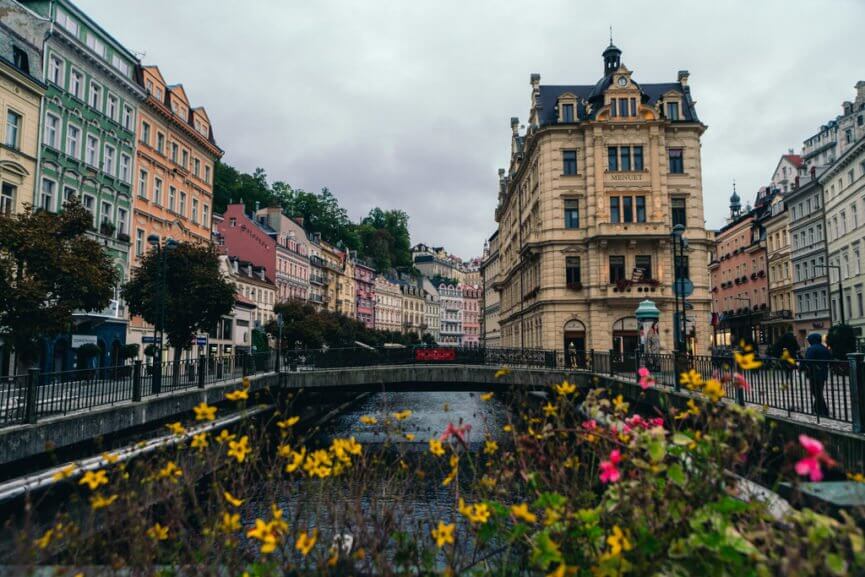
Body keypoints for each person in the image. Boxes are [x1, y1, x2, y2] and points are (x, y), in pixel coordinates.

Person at [804, 333, 831, 417]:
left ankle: (823, 411)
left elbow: (808, 360)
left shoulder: (811, 349)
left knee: (815, 392)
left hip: (814, 373)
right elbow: (829, 358)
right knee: (818, 391)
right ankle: (817, 409)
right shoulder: (824, 348)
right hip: (823, 373)